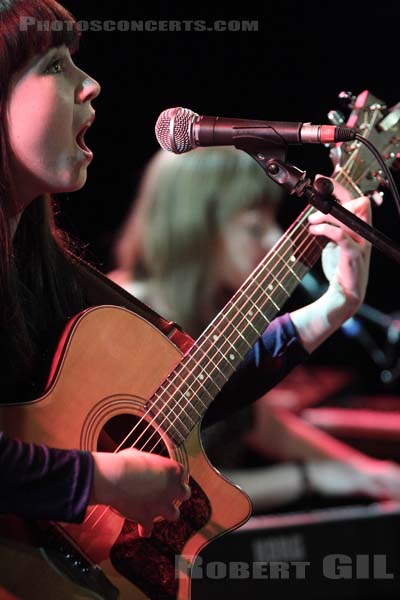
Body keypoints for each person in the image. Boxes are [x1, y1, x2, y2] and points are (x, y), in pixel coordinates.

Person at [0, 0, 369, 540]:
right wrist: (92, 479)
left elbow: (184, 392)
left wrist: (330, 309)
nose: (90, 84)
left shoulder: (43, 265)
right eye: (55, 65)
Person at [110, 147, 400, 512]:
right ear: (196, 227)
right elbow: (177, 481)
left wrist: (371, 472)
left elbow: (256, 422)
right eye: (254, 226)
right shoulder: (122, 318)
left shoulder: (215, 310)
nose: (272, 238)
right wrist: (310, 477)